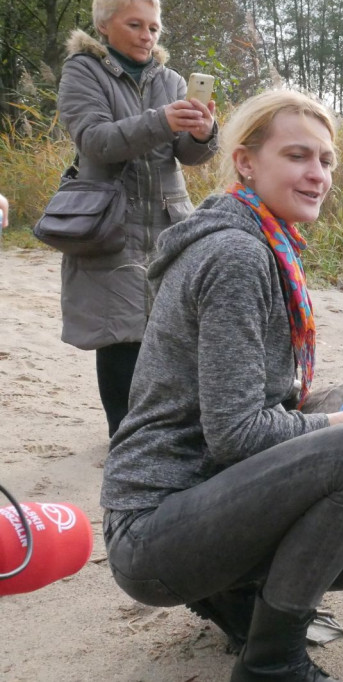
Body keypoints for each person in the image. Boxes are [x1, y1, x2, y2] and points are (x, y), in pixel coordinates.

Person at [100, 89, 343, 682]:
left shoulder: (268, 245)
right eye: (298, 155)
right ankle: (272, 664)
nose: (317, 174)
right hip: (153, 528)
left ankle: (232, 596)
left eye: (326, 160)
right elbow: (236, 432)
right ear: (247, 162)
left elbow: (250, 408)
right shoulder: (237, 255)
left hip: (209, 502)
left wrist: (323, 419)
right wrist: (342, 424)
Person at [57, 0, 218, 437]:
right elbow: (94, 141)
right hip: (110, 222)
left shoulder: (171, 80)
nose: (148, 35)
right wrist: (162, 120)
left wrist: (203, 134)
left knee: (170, 333)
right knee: (121, 335)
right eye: (136, 24)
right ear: (105, 25)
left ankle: (162, 431)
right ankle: (124, 440)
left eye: (154, 27)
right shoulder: (82, 71)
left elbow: (186, 155)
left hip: (168, 223)